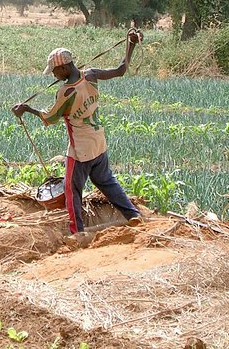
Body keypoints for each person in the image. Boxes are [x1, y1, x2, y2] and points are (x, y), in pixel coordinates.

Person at [12, 30, 143, 234]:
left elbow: (50, 118)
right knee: (106, 181)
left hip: (80, 150)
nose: (54, 75)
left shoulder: (66, 92)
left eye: (55, 71)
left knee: (72, 191)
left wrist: (26, 109)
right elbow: (120, 70)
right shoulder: (91, 75)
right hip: (98, 142)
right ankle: (133, 215)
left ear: (64, 67)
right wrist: (132, 44)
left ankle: (77, 232)